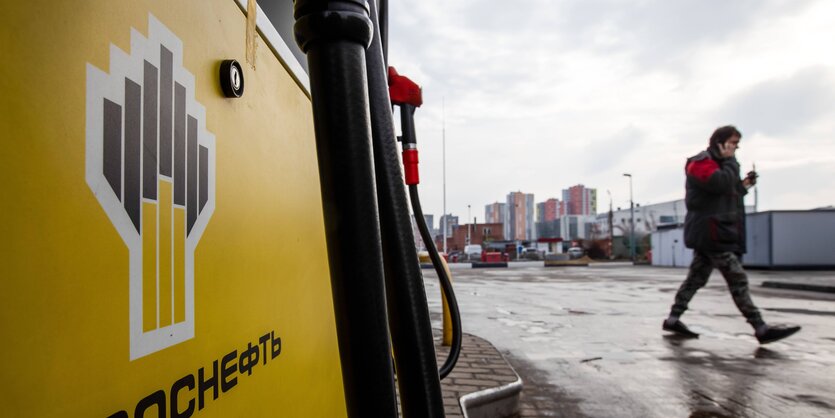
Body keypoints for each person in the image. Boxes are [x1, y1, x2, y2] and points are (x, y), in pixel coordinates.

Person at [663, 125, 800, 344]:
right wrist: (730, 162)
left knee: (695, 279)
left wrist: (744, 185)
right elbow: (720, 184)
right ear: (721, 141)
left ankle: (673, 319)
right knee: (737, 279)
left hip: (714, 232)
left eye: (737, 144)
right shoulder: (700, 163)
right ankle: (761, 328)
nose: (736, 147)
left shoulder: (717, 165)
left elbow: (727, 193)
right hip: (711, 233)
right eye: (733, 143)